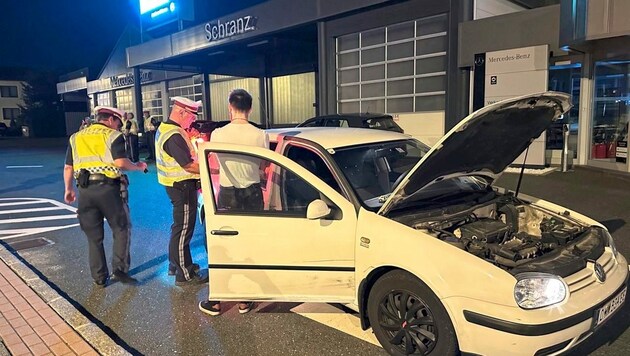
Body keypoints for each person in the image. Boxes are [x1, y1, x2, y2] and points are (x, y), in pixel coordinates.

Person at [198, 89, 268, 316]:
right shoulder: (260, 135)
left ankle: (217, 300)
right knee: (249, 246)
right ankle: (245, 300)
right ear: (250, 108)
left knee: (224, 247)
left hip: (228, 194)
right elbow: (264, 166)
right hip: (253, 192)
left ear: (230, 106)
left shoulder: (218, 134)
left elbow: (215, 160)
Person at [63, 106, 147, 287]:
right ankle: (120, 270)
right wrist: (137, 166)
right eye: (118, 122)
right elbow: (120, 163)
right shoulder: (112, 135)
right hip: (109, 190)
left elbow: (68, 167)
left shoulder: (76, 137)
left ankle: (100, 278)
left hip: (85, 191)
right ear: (110, 120)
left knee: (94, 237)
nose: (118, 126)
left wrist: (68, 189)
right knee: (121, 228)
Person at [155, 96, 207, 286]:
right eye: (191, 117)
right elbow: (187, 165)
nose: (192, 121)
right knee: (184, 230)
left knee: (179, 227)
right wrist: (211, 170)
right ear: (181, 112)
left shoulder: (167, 129)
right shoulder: (174, 135)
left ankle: (176, 265)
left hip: (176, 186)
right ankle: (184, 275)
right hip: (182, 186)